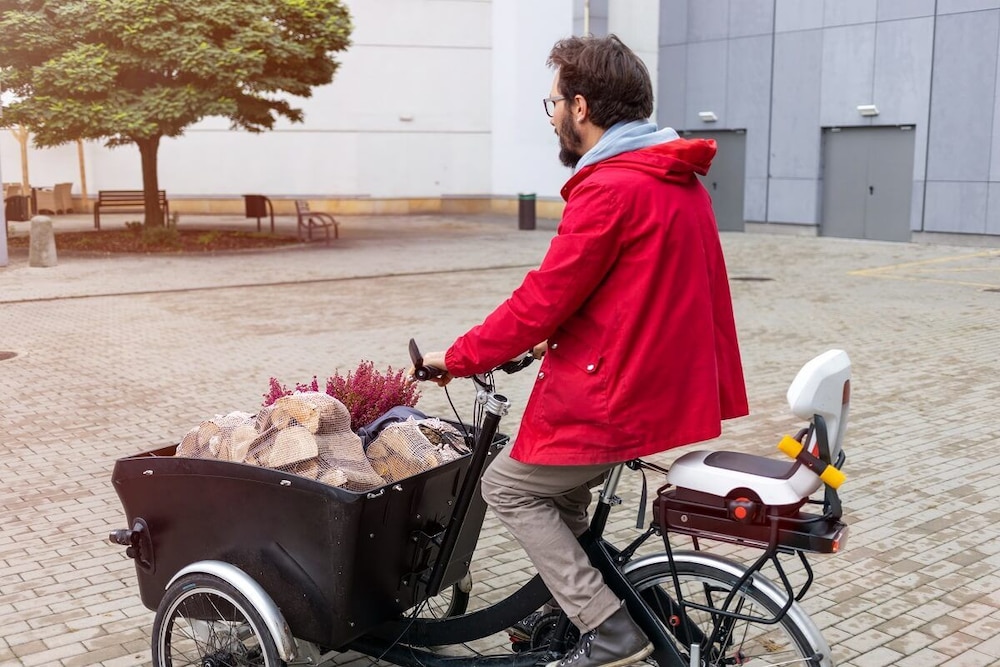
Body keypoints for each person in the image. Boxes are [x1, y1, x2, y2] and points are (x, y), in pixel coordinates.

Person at [415, 34, 749, 667]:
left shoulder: (611, 187)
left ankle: (607, 625)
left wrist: (457, 358)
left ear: (580, 106)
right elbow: (635, 290)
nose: (552, 119)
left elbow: (542, 298)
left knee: (507, 488)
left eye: (552, 106)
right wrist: (558, 337)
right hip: (658, 386)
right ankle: (595, 611)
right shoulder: (673, 177)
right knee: (563, 501)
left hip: (614, 394)